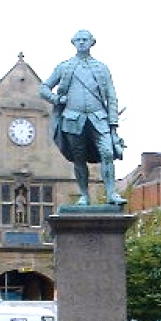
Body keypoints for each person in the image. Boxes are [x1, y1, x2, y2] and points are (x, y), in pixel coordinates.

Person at [39, 30, 126, 206]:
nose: (81, 43)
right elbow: (44, 88)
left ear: (92, 42)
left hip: (98, 118)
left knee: (107, 153)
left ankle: (111, 194)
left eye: (84, 40)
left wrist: (113, 123)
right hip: (73, 119)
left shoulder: (101, 68)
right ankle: (84, 195)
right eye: (78, 40)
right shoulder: (65, 67)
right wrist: (57, 99)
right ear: (73, 42)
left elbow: (111, 95)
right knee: (78, 158)